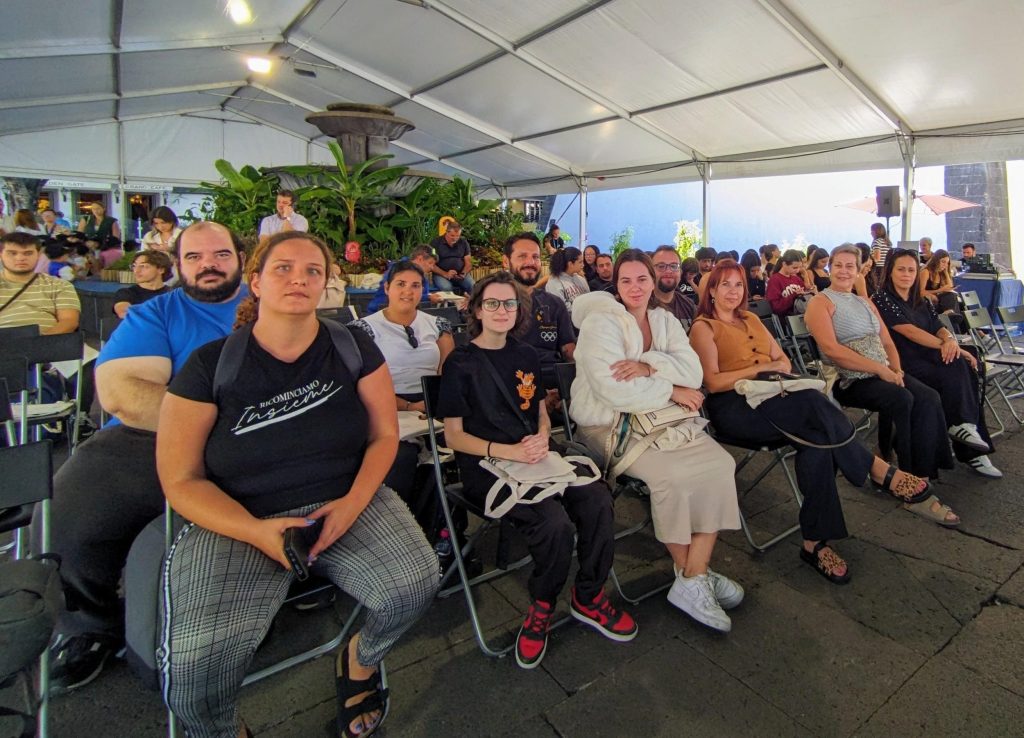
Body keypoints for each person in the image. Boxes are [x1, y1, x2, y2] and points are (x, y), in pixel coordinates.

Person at [156, 231, 437, 737]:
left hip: (346, 500)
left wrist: (352, 504)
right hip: (238, 519)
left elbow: (384, 435)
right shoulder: (208, 366)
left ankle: (362, 660)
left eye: (313, 271)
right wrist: (255, 531)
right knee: (193, 669)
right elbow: (181, 480)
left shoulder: (352, 346)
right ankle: (218, 729)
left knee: (413, 586)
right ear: (256, 282)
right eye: (283, 268)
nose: (299, 279)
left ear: (327, 285)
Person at [44, 222, 248, 693]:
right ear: (177, 265)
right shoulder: (156, 314)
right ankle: (90, 625)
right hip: (149, 438)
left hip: (253, 440)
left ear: (241, 258)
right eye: (194, 257)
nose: (208, 265)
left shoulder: (269, 308)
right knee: (68, 510)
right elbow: (122, 393)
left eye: (220, 254)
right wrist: (220, 424)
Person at [690, 260, 935, 585]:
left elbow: (784, 360)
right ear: (711, 291)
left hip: (776, 396)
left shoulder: (751, 318)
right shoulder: (703, 327)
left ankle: (814, 543)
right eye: (725, 285)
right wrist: (758, 370)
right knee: (812, 402)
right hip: (736, 408)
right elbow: (715, 381)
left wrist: (768, 368)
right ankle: (876, 470)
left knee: (817, 440)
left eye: (738, 285)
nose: (733, 292)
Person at [438, 271, 636, 668]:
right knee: (554, 524)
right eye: (491, 303)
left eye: (509, 303)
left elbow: (540, 411)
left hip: (536, 456)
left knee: (597, 499)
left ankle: (589, 595)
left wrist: (544, 435)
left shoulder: (527, 355)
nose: (501, 310)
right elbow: (454, 437)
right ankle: (542, 605)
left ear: (519, 309)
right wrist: (506, 449)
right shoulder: (460, 361)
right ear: (476, 309)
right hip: (487, 464)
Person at [571, 250, 742, 632]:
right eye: (626, 280)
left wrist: (649, 365)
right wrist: (671, 389)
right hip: (610, 428)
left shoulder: (664, 320)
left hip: (663, 421)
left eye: (641, 279)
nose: (635, 287)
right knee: (675, 479)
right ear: (615, 284)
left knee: (721, 465)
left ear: (653, 282)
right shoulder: (601, 324)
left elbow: (693, 370)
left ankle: (693, 574)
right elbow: (615, 390)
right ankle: (696, 574)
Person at [804, 245, 959, 526]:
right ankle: (911, 488)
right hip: (850, 380)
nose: (843, 271)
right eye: (838, 265)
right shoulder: (821, 303)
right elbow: (832, 349)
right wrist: (880, 369)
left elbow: (886, 341)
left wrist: (896, 368)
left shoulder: (865, 301)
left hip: (883, 371)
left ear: (859, 269)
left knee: (929, 397)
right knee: (903, 399)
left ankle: (923, 474)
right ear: (830, 268)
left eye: (850, 266)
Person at [872, 249, 1001, 479]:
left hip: (929, 356)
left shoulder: (919, 298)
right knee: (957, 366)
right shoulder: (882, 299)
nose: (906, 275)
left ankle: (967, 434)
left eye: (911, 270)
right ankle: (966, 438)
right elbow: (908, 331)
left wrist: (950, 340)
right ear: (890, 272)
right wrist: (946, 346)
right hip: (905, 361)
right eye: (901, 269)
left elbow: (936, 324)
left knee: (965, 366)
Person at [351, 260, 454, 522]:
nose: (408, 291)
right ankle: (397, 526)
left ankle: (439, 533)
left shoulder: (439, 325)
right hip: (386, 406)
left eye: (415, 285)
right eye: (400, 284)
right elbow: (362, 385)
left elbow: (448, 371)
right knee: (401, 457)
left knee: (448, 457)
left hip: (432, 404)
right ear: (387, 288)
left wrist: (431, 405)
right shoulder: (365, 330)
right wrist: (408, 407)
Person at [502, 233, 575, 395]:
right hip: (509, 386)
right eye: (522, 256)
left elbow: (569, 352)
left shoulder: (554, 304)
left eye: (535, 257)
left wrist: (570, 388)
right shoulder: (494, 305)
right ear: (506, 261)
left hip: (554, 383)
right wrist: (539, 397)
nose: (530, 262)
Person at [0, 232, 79, 334]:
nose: (20, 258)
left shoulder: (60, 285)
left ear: (38, 255)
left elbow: (69, 321)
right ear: (1, 255)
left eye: (28, 253)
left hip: (46, 344)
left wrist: (39, 343)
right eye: (12, 253)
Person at [366, 245, 442, 314]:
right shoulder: (397, 270)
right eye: (430, 263)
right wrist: (428, 297)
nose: (432, 267)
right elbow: (401, 294)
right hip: (382, 312)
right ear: (420, 259)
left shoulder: (420, 275)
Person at [112, 251, 173, 318]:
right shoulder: (126, 293)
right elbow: (124, 312)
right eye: (134, 266)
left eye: (143, 266)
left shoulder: (173, 294)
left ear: (161, 269)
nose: (136, 271)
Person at [651, 245, 697, 323]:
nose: (668, 271)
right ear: (651, 272)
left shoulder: (688, 305)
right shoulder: (641, 305)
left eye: (674, 266)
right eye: (661, 266)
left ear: (680, 273)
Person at [429, 221, 474, 294]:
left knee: (473, 286)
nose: (455, 239)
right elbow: (431, 264)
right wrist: (445, 274)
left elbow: (468, 263)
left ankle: (472, 304)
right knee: (446, 288)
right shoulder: (435, 243)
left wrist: (463, 273)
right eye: (452, 235)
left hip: (460, 274)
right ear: (446, 232)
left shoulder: (463, 242)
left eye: (457, 236)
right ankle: (453, 305)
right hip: (441, 274)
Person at [766, 248, 812, 316]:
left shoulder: (796, 279)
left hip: (801, 316)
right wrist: (794, 296)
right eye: (794, 268)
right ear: (784, 264)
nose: (797, 270)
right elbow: (775, 307)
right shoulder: (774, 280)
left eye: (799, 267)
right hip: (786, 319)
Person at [545, 246, 590, 313]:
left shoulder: (581, 279)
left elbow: (589, 298)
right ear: (570, 264)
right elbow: (561, 308)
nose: (583, 265)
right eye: (580, 262)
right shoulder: (554, 282)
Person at [920, 249, 961, 317]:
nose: (945, 265)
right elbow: (920, 292)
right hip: (928, 300)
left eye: (947, 263)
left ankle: (951, 315)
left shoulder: (940, 273)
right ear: (936, 260)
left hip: (938, 300)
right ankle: (950, 315)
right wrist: (940, 290)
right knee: (950, 297)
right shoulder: (926, 272)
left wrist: (946, 273)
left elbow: (950, 286)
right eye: (943, 262)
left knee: (952, 296)